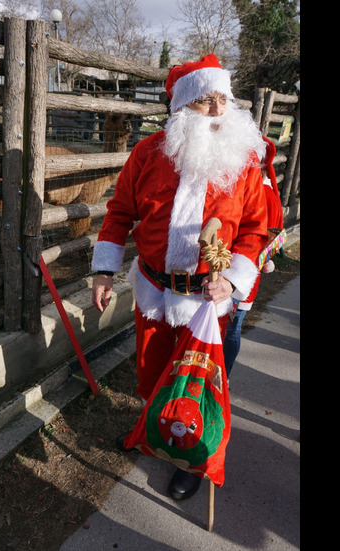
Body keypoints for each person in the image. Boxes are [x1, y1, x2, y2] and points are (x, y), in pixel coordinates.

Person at [90, 54, 269, 500]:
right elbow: (119, 213)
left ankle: (194, 458)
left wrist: (232, 281)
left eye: (222, 100)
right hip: (153, 290)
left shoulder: (244, 163)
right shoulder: (148, 154)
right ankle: (152, 433)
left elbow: (254, 230)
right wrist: (103, 270)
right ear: (182, 106)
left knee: (200, 385)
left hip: (208, 301)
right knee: (151, 375)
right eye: (205, 100)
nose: (216, 109)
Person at [223, 136, 286, 376]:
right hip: (218, 268)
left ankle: (222, 379)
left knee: (231, 328)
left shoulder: (267, 195)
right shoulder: (238, 187)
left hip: (242, 271)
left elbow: (269, 238)